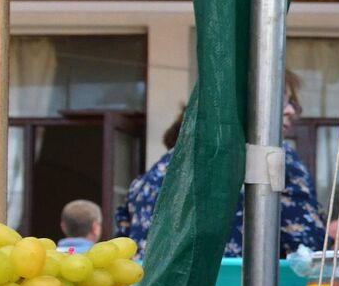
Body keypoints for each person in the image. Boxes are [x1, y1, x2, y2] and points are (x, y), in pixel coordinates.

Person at [116, 72, 327, 258]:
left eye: (292, 102)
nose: (290, 111)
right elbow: (305, 249)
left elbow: (123, 247)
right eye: (280, 99)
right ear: (246, 102)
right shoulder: (267, 154)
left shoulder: (150, 176)